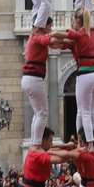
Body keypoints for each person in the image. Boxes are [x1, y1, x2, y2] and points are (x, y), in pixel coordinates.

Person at [52, 8, 94, 147]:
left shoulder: (79, 34)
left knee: (83, 112)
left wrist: (45, 35)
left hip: (85, 73)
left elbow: (59, 36)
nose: (72, 23)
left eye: (73, 20)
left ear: (78, 21)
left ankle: (89, 145)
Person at [22, 20, 53, 148]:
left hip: (29, 79)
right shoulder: (37, 37)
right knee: (43, 113)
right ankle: (36, 144)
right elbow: (50, 41)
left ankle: (34, 142)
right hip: (34, 78)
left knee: (38, 113)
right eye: (50, 26)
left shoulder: (35, 37)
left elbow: (54, 43)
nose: (51, 29)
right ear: (44, 26)